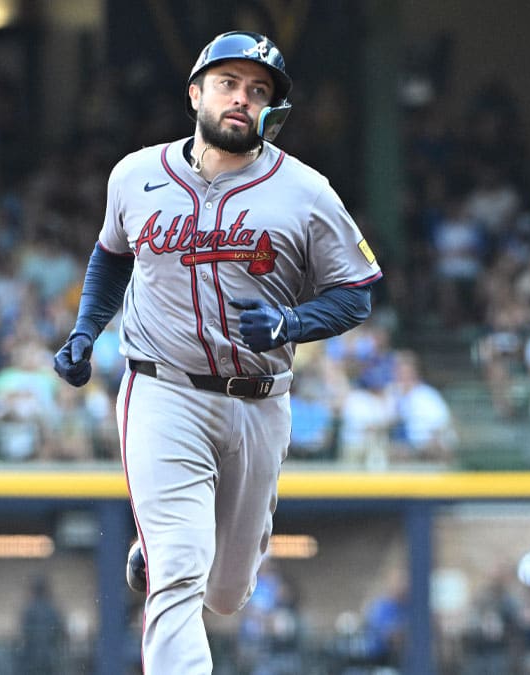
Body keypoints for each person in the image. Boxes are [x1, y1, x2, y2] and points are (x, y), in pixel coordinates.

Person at [51, 30, 382, 675]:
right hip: (163, 387)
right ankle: (168, 548)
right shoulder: (136, 174)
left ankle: (176, 546)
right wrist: (87, 329)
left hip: (259, 400)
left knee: (227, 594)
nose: (242, 99)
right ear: (196, 92)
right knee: (179, 571)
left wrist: (292, 322)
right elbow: (112, 254)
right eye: (229, 84)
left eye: (258, 91)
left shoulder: (307, 192)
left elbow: (358, 295)